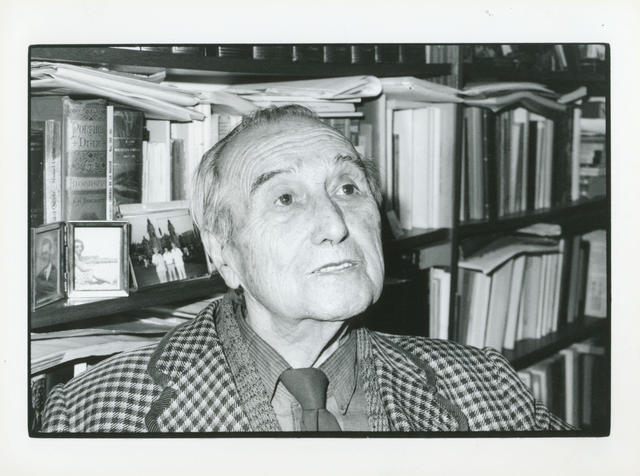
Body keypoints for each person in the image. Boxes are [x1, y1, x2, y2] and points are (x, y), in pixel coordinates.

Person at [41, 106, 571, 432]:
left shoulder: (488, 389)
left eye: (348, 188)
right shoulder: (92, 414)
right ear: (223, 251)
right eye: (286, 198)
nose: (336, 224)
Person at [35, 237, 57, 303]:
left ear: (51, 251)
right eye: (42, 253)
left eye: (46, 253)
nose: (44, 256)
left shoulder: (56, 269)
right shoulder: (42, 270)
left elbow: (54, 287)